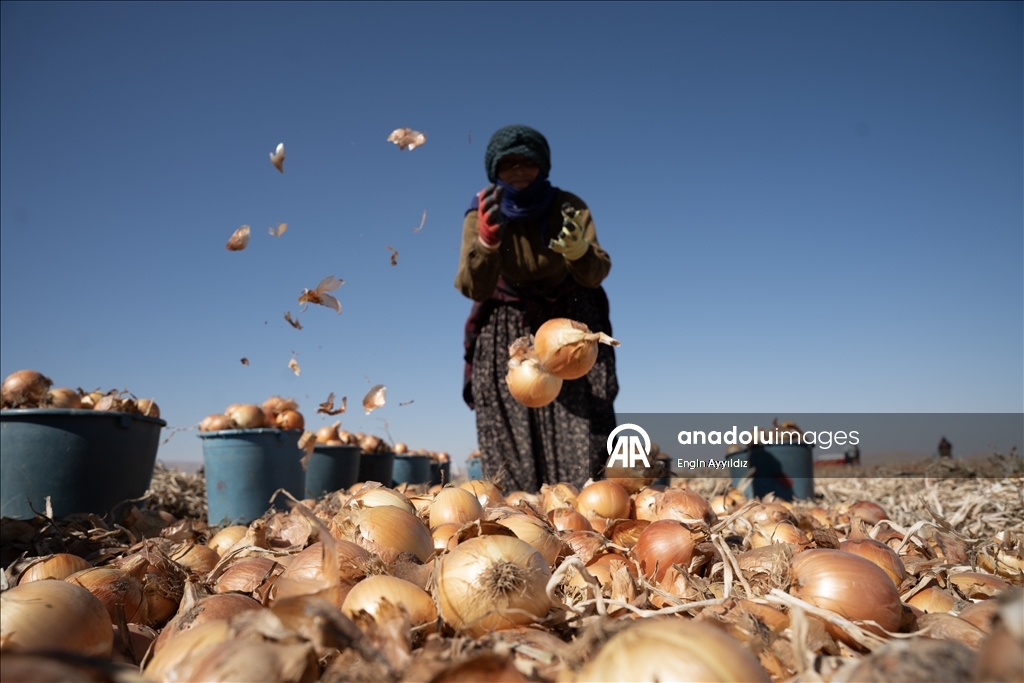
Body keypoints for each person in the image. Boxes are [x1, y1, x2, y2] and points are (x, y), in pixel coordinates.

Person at [456, 125, 618, 493]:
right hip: (507, 320)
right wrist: (486, 243)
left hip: (571, 316)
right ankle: (518, 512)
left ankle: (588, 508)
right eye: (508, 165)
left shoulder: (570, 206)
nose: (518, 172)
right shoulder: (482, 210)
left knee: (585, 418)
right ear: (495, 170)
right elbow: (472, 285)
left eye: (526, 164)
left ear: (541, 167)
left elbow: (597, 273)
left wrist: (579, 253)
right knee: (510, 410)